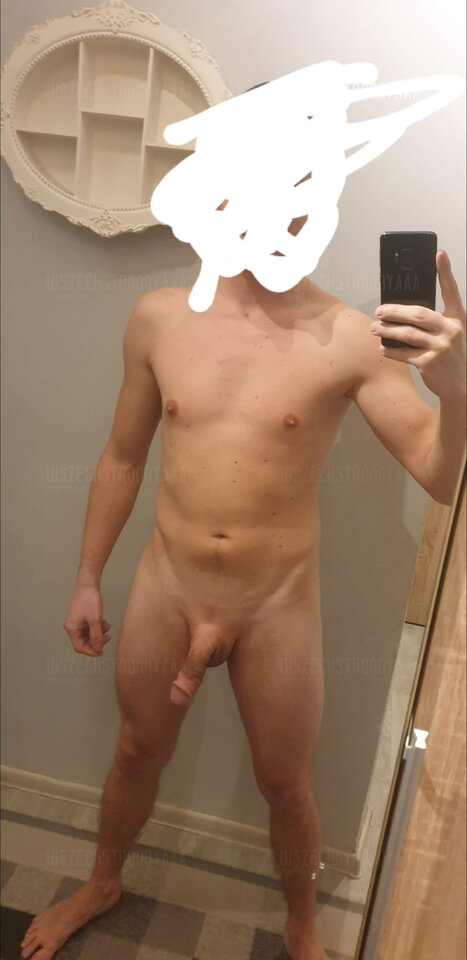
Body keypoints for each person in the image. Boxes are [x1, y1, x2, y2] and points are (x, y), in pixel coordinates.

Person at [20, 246, 465, 960]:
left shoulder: (351, 337)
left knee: (285, 783)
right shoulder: (159, 317)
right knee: (136, 750)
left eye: (298, 199)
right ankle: (101, 884)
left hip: (275, 604)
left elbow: (439, 477)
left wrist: (458, 393)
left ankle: (301, 928)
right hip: (168, 585)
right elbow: (123, 456)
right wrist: (87, 578)